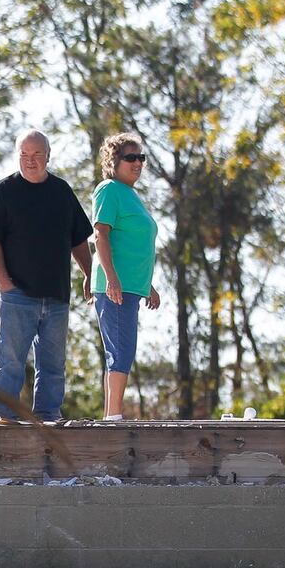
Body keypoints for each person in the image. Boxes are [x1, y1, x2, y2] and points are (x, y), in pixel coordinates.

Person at [0, 129, 94, 421]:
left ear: (48, 156)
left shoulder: (62, 192)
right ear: (18, 156)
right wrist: (5, 285)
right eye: (24, 155)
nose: (30, 160)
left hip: (57, 297)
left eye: (37, 154)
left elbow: (79, 238)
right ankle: (4, 419)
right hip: (18, 297)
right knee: (10, 362)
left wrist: (90, 274)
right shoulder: (4, 192)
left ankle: (48, 420)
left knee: (53, 365)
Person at [90, 131, 160, 421]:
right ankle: (114, 418)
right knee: (120, 350)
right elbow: (100, 235)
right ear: (113, 161)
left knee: (123, 349)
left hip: (132, 286)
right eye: (130, 157)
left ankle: (111, 415)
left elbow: (132, 246)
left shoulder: (131, 196)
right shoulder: (109, 189)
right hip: (115, 286)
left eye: (140, 157)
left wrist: (149, 286)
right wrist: (112, 279)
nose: (137, 163)